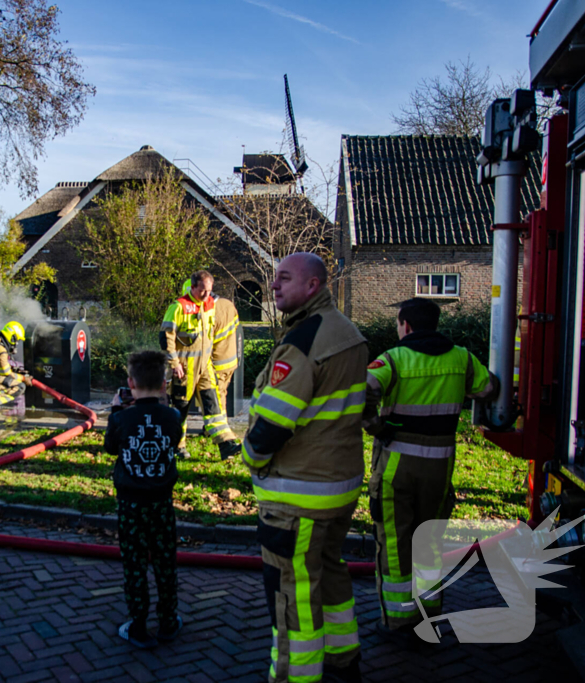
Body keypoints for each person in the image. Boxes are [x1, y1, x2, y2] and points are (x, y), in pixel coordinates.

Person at [242, 253, 366, 683]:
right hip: (339, 487)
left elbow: (272, 425)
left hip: (298, 496)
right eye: (274, 278)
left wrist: (251, 460)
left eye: (285, 279)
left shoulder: (304, 341)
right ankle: (343, 661)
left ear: (313, 286)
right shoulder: (347, 332)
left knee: (292, 597)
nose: (274, 286)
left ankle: (297, 676)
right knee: (329, 573)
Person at [363, 298, 498, 635]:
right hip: (440, 470)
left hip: (396, 470)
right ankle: (429, 618)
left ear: (405, 325)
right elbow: (487, 388)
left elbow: (358, 394)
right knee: (430, 543)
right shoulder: (462, 359)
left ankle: (398, 620)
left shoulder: (393, 359)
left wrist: (378, 426)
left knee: (395, 544)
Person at [104, 350, 184, 649]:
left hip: (131, 505)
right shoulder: (173, 416)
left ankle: (138, 625)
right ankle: (168, 621)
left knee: (134, 564)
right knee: (165, 562)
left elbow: (111, 448)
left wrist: (116, 411)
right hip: (162, 502)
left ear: (130, 383)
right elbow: (174, 438)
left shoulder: (122, 418)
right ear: (164, 384)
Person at [160, 271, 240, 460]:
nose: (207, 295)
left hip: (205, 367)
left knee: (214, 407)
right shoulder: (178, 307)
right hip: (185, 368)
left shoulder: (210, 305)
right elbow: (166, 337)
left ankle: (226, 444)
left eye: (210, 291)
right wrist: (174, 363)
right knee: (181, 408)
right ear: (193, 288)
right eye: (203, 291)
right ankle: (177, 446)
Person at [211, 292, 240, 410]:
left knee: (217, 395)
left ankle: (219, 425)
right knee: (222, 391)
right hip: (231, 359)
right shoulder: (228, 304)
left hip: (218, 363)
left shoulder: (210, 312)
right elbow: (236, 325)